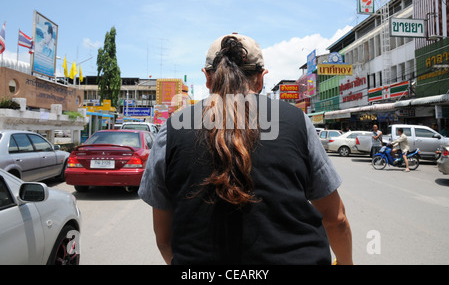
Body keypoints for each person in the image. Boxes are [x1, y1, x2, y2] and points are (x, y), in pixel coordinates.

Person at [138, 33, 353, 265]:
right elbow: (336, 219)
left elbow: (164, 239)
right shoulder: (297, 121)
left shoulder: (172, 130)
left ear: (207, 78)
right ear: (261, 79)